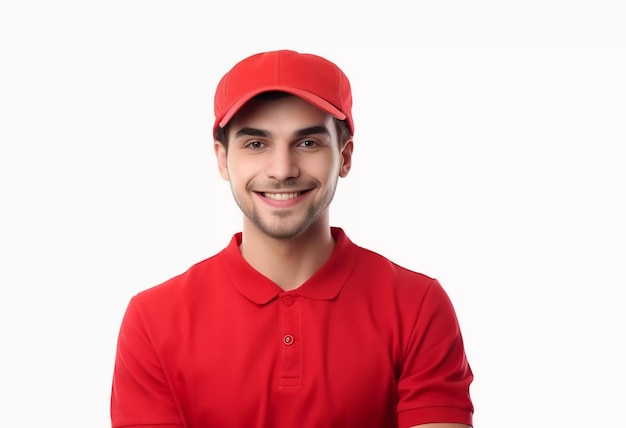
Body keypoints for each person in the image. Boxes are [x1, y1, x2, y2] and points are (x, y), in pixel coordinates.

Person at [110, 49, 474, 428]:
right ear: (221, 159)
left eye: (307, 143)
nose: (282, 170)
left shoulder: (417, 305)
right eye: (256, 144)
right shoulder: (153, 319)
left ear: (345, 157)